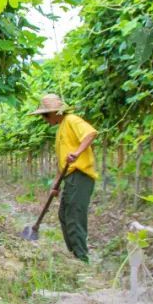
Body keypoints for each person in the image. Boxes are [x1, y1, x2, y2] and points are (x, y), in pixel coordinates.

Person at [31, 94, 98, 262]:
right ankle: (74, 253)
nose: (44, 119)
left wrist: (77, 153)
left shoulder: (72, 120)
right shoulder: (61, 128)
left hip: (80, 176)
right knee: (64, 215)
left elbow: (90, 133)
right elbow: (62, 163)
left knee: (74, 216)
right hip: (69, 177)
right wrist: (55, 184)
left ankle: (81, 258)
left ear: (54, 113)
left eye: (45, 115)